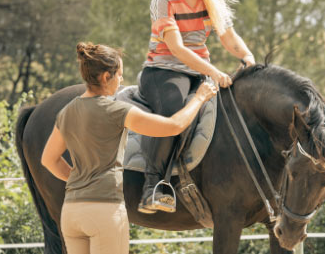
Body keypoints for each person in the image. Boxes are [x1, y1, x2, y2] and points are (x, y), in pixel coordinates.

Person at [41, 42, 217, 254]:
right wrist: (199, 97)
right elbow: (174, 126)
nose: (122, 80)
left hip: (72, 212)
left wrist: (80, 182)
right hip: (104, 212)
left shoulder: (67, 111)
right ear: (106, 77)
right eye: (119, 75)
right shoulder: (117, 110)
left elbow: (49, 160)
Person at [138, 0, 256, 214]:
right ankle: (152, 186)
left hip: (200, 71)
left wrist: (247, 57)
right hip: (164, 71)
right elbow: (177, 49)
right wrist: (213, 71)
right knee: (174, 110)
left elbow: (226, 34)